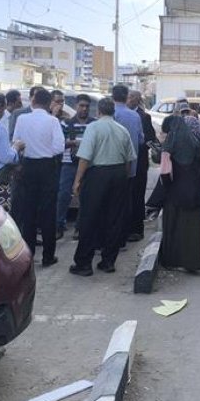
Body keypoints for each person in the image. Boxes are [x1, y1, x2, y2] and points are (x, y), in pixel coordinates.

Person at [69, 98, 135, 276]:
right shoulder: (122, 130)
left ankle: (84, 262)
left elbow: (85, 157)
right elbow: (129, 160)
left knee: (89, 218)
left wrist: (77, 181)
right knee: (114, 218)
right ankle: (108, 261)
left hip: (98, 174)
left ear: (98, 111)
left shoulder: (94, 128)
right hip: (119, 173)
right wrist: (124, 178)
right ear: (113, 111)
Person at [12, 87, 65, 267]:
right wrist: (45, 150)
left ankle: (29, 254)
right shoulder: (52, 121)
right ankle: (48, 256)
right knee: (48, 213)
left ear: (33, 101)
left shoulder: (22, 119)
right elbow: (59, 148)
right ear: (49, 103)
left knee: (29, 213)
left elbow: (16, 142)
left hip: (27, 166)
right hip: (47, 167)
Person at [158, 115, 200, 271]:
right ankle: (193, 263)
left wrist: (166, 189)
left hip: (176, 190)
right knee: (192, 226)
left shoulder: (170, 145)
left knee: (175, 226)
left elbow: (165, 173)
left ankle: (173, 261)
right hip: (196, 188)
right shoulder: (195, 141)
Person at [55, 94, 94, 239]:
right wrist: (74, 144)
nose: (84, 109)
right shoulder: (66, 124)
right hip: (69, 163)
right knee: (63, 194)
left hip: (88, 164)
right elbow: (59, 143)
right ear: (76, 106)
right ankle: (58, 225)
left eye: (87, 106)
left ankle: (80, 227)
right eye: (81, 106)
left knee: (85, 196)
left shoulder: (93, 124)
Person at [112, 85, 144, 246]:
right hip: (131, 167)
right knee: (126, 202)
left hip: (111, 167)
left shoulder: (111, 115)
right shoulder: (135, 116)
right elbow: (140, 140)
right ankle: (123, 237)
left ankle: (112, 239)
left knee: (111, 204)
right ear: (126, 97)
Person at [126, 90, 158, 242]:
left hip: (139, 162)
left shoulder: (144, 117)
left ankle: (136, 230)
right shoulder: (121, 114)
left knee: (137, 195)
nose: (130, 99)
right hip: (123, 162)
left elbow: (150, 138)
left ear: (138, 100)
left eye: (133, 97)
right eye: (129, 97)